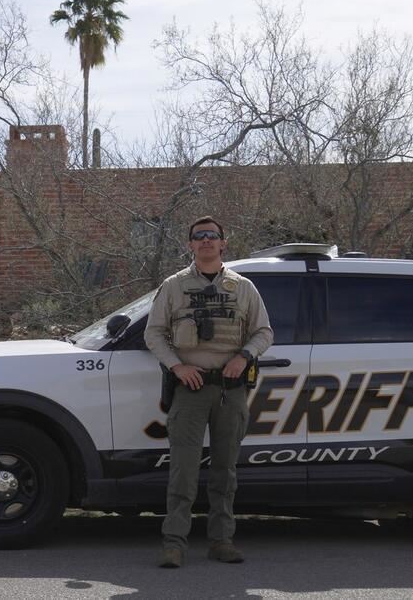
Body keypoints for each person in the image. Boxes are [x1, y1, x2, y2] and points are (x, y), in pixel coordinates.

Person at [145, 216, 273, 568]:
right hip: (190, 387)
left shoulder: (243, 287)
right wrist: (177, 366)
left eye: (212, 236)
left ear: (223, 243)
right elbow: (153, 333)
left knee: (224, 472)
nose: (205, 241)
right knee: (183, 471)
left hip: (230, 391)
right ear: (190, 245)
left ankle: (221, 541)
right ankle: (174, 544)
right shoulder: (174, 286)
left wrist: (243, 356)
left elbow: (264, 333)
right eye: (198, 236)